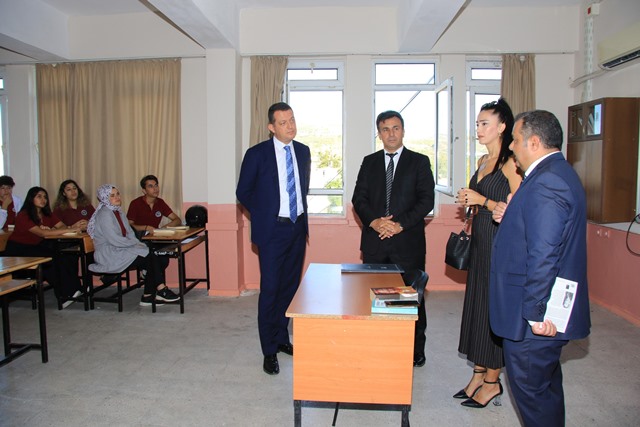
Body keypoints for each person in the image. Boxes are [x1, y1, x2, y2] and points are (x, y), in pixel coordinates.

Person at [490, 110, 591, 426]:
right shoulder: (555, 173)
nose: (511, 147)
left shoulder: (547, 181)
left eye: (515, 140)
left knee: (532, 393)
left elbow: (544, 254)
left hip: (533, 316)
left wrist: (536, 313)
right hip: (537, 306)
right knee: (545, 389)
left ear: (533, 142)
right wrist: (510, 215)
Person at [352, 110, 435, 367]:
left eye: (396, 128)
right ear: (379, 133)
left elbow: (426, 201)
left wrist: (399, 225)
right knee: (375, 299)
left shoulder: (419, 162)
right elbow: (359, 199)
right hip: (375, 242)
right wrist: (375, 222)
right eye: (385, 129)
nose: (391, 133)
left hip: (407, 243)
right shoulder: (369, 162)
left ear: (403, 131)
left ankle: (415, 349)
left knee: (411, 299)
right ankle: (378, 345)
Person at [453, 98, 521, 408]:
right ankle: (478, 375)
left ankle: (493, 382)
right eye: (478, 123)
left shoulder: (511, 163)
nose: (478, 129)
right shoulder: (482, 160)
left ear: (502, 126)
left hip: (499, 242)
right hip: (481, 240)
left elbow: (519, 209)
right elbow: (480, 201)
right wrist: (470, 201)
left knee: (494, 311)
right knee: (479, 309)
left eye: (485, 124)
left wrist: (483, 200)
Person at [236, 102, 311, 376]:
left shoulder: (303, 151)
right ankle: (268, 350)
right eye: (283, 122)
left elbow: (302, 186)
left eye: (292, 120)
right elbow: (243, 191)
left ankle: (281, 338)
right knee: (270, 290)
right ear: (271, 127)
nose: (290, 126)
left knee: (289, 288)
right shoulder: (257, 154)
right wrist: (265, 214)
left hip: (297, 228)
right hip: (272, 232)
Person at [87, 184, 179, 306]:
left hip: (122, 249)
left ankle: (148, 295)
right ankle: (161, 290)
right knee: (151, 257)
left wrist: (137, 244)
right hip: (110, 253)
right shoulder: (104, 214)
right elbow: (114, 239)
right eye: (112, 195)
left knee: (159, 257)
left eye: (118, 194)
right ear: (104, 198)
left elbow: (130, 233)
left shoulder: (118, 212)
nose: (117, 197)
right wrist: (136, 245)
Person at [4, 186, 83, 307]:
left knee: (65, 255)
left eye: (45, 197)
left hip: (34, 247)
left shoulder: (47, 214)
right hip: (18, 249)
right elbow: (42, 233)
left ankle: (76, 289)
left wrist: (55, 229)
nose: (43, 200)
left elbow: (62, 226)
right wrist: (69, 229)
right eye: (39, 197)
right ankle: (64, 295)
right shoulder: (24, 215)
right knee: (50, 260)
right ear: (31, 199)